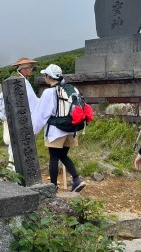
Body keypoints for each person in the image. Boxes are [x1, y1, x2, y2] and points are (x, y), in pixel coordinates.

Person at [31, 64, 86, 192]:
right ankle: (77, 180)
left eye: (45, 75)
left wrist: (32, 131)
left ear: (49, 77)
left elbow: (42, 114)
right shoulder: (71, 89)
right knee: (63, 155)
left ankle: (53, 187)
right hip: (71, 128)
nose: (44, 77)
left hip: (56, 131)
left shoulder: (49, 92)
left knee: (54, 157)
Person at [0, 57, 39, 167]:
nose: (31, 70)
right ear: (23, 69)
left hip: (22, 119)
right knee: (17, 145)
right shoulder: (18, 82)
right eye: (30, 68)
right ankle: (14, 169)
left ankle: (14, 168)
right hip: (19, 119)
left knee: (19, 146)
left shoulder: (24, 82)